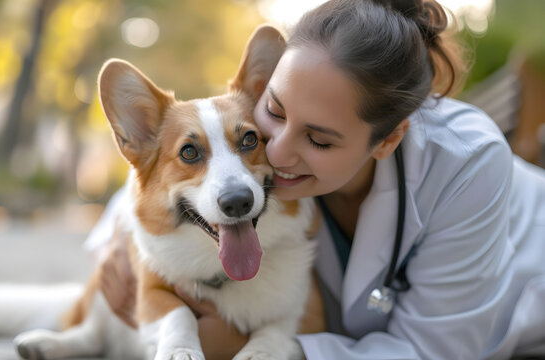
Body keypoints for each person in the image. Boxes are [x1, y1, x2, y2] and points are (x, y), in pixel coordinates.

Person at [88, 0, 545, 358]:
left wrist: (271, 349)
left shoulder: (467, 163)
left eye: (319, 140)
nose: (276, 152)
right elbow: (179, 167)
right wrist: (119, 241)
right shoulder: (263, 148)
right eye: (274, 111)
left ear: (386, 141)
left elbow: (434, 351)